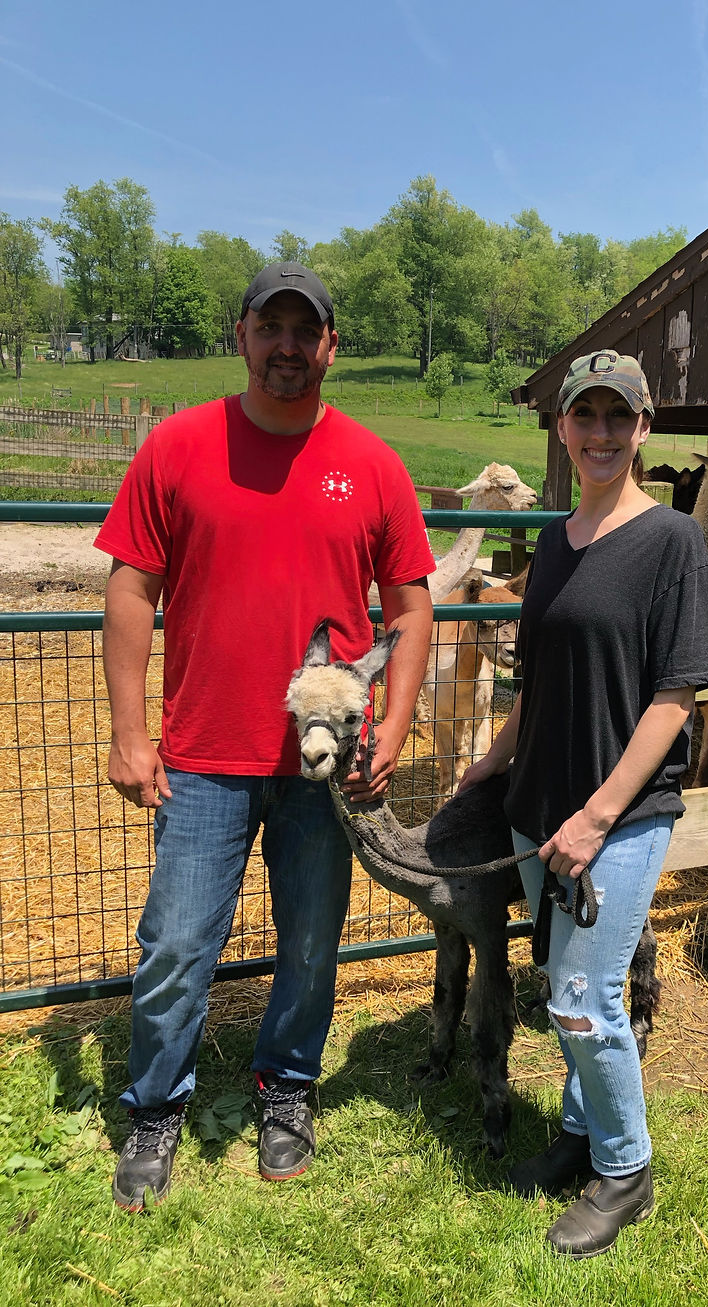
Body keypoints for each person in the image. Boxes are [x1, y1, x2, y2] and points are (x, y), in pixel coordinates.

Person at [96, 262, 435, 1210]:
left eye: (306, 330)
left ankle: (287, 1086)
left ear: (331, 344)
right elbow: (130, 588)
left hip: (326, 765)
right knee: (175, 943)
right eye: (270, 326)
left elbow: (412, 602)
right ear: (242, 334)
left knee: (314, 941)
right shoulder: (179, 446)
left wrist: (397, 721)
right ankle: (157, 1103)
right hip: (203, 752)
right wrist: (132, 733)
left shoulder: (371, 463)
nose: (288, 346)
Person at [458, 349, 708, 1259]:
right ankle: (579, 1132)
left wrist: (600, 813)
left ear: (644, 429)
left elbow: (675, 695)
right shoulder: (557, 542)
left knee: (581, 999)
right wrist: (492, 760)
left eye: (620, 417)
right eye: (586, 417)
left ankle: (626, 1167)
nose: (602, 433)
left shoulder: (672, 543)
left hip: (620, 815)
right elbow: (539, 680)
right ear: (564, 429)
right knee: (565, 978)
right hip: (539, 805)